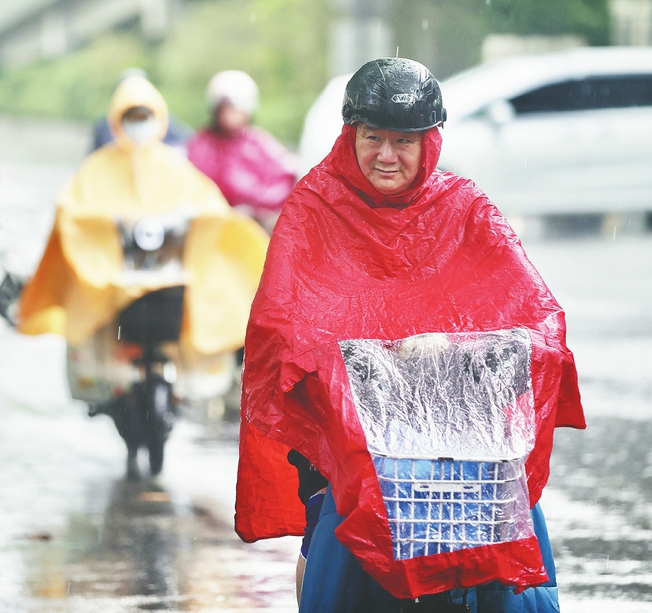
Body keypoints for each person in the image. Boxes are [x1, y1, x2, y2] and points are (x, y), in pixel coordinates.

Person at [234, 58, 586, 612]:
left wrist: (520, 351)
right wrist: (327, 361)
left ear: (430, 143)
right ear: (351, 135)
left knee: (518, 546)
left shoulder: (465, 208)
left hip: (462, 434)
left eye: (404, 140)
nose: (386, 155)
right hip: (347, 430)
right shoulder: (314, 206)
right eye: (372, 138)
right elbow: (280, 317)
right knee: (336, 534)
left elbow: (533, 309)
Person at [17, 75, 269, 475]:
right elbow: (72, 208)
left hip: (166, 276)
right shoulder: (97, 168)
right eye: (132, 115)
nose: (139, 122)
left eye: (145, 115)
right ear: (117, 118)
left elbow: (209, 205)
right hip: (115, 280)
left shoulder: (175, 166)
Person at [186, 70, 298, 233]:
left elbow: (286, 178)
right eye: (228, 108)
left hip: (255, 227)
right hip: (212, 228)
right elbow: (195, 187)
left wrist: (254, 205)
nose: (234, 115)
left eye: (239, 108)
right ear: (217, 108)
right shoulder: (202, 145)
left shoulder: (259, 142)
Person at [90, 68, 193, 152]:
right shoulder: (104, 125)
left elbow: (186, 142)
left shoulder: (164, 121)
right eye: (130, 117)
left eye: (143, 117)